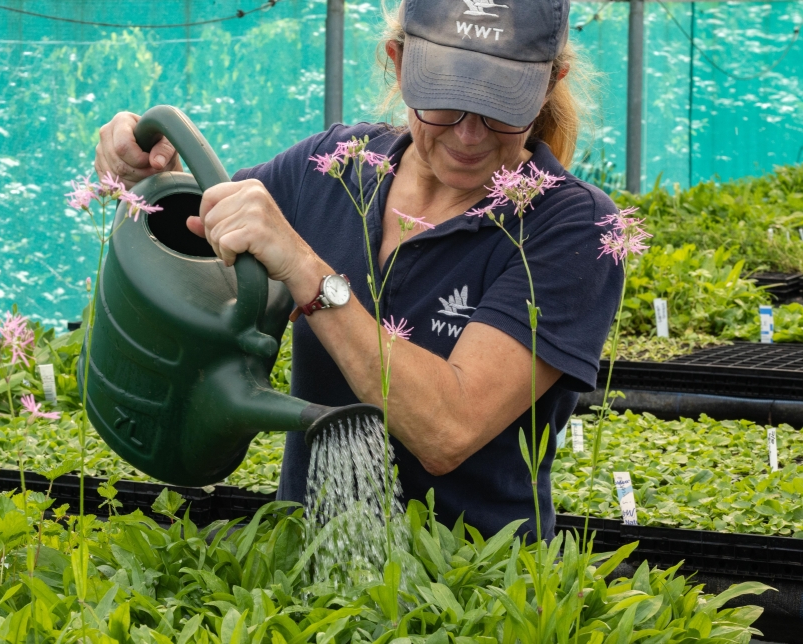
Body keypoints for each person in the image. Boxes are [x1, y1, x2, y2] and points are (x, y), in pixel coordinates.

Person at [94, 0, 622, 539]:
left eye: (499, 108)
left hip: (472, 591)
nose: (469, 135)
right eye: (444, 100)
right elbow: (201, 238)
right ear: (398, 61)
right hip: (312, 566)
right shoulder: (335, 166)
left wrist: (307, 270)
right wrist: (144, 171)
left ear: (550, 84)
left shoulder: (575, 229)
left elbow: (449, 429)